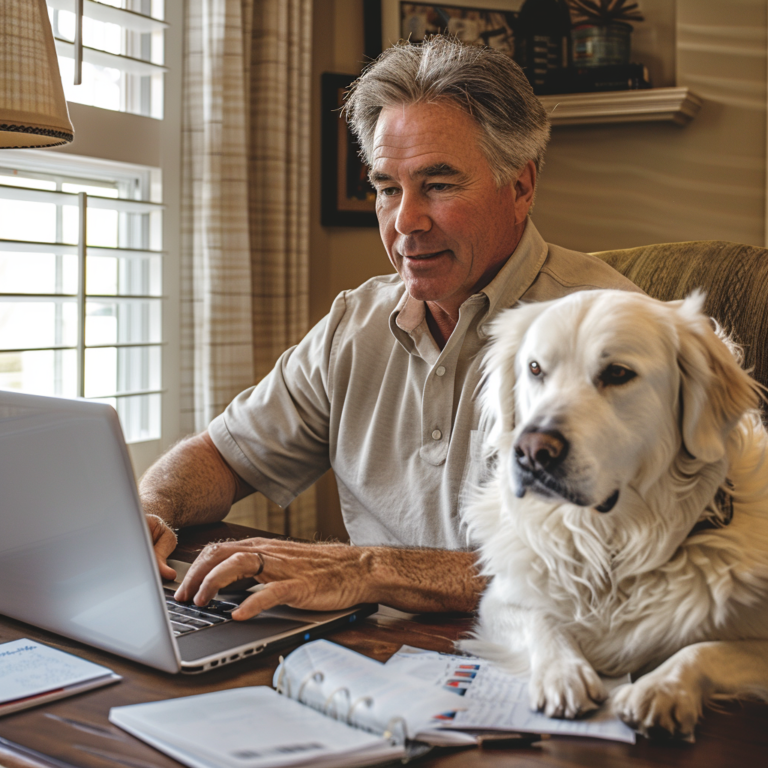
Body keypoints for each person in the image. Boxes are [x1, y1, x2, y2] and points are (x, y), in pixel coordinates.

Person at [141, 35, 639, 621]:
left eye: (439, 184)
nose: (406, 221)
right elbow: (223, 455)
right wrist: (149, 509)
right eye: (386, 188)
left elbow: (604, 562)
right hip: (368, 655)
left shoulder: (610, 334)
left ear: (521, 186)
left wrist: (367, 570)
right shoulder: (355, 322)